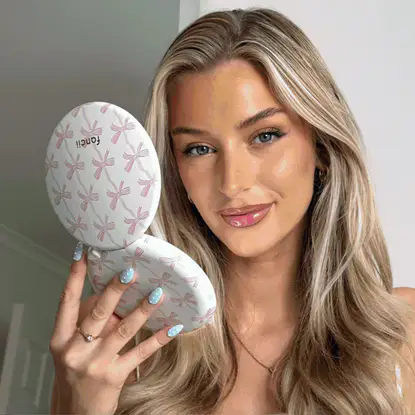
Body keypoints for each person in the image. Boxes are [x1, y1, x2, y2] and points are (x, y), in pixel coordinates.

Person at [49, 7, 415, 415]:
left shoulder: (401, 333)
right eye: (199, 149)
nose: (232, 183)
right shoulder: (113, 336)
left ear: (322, 148)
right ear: (176, 171)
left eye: (265, 136)